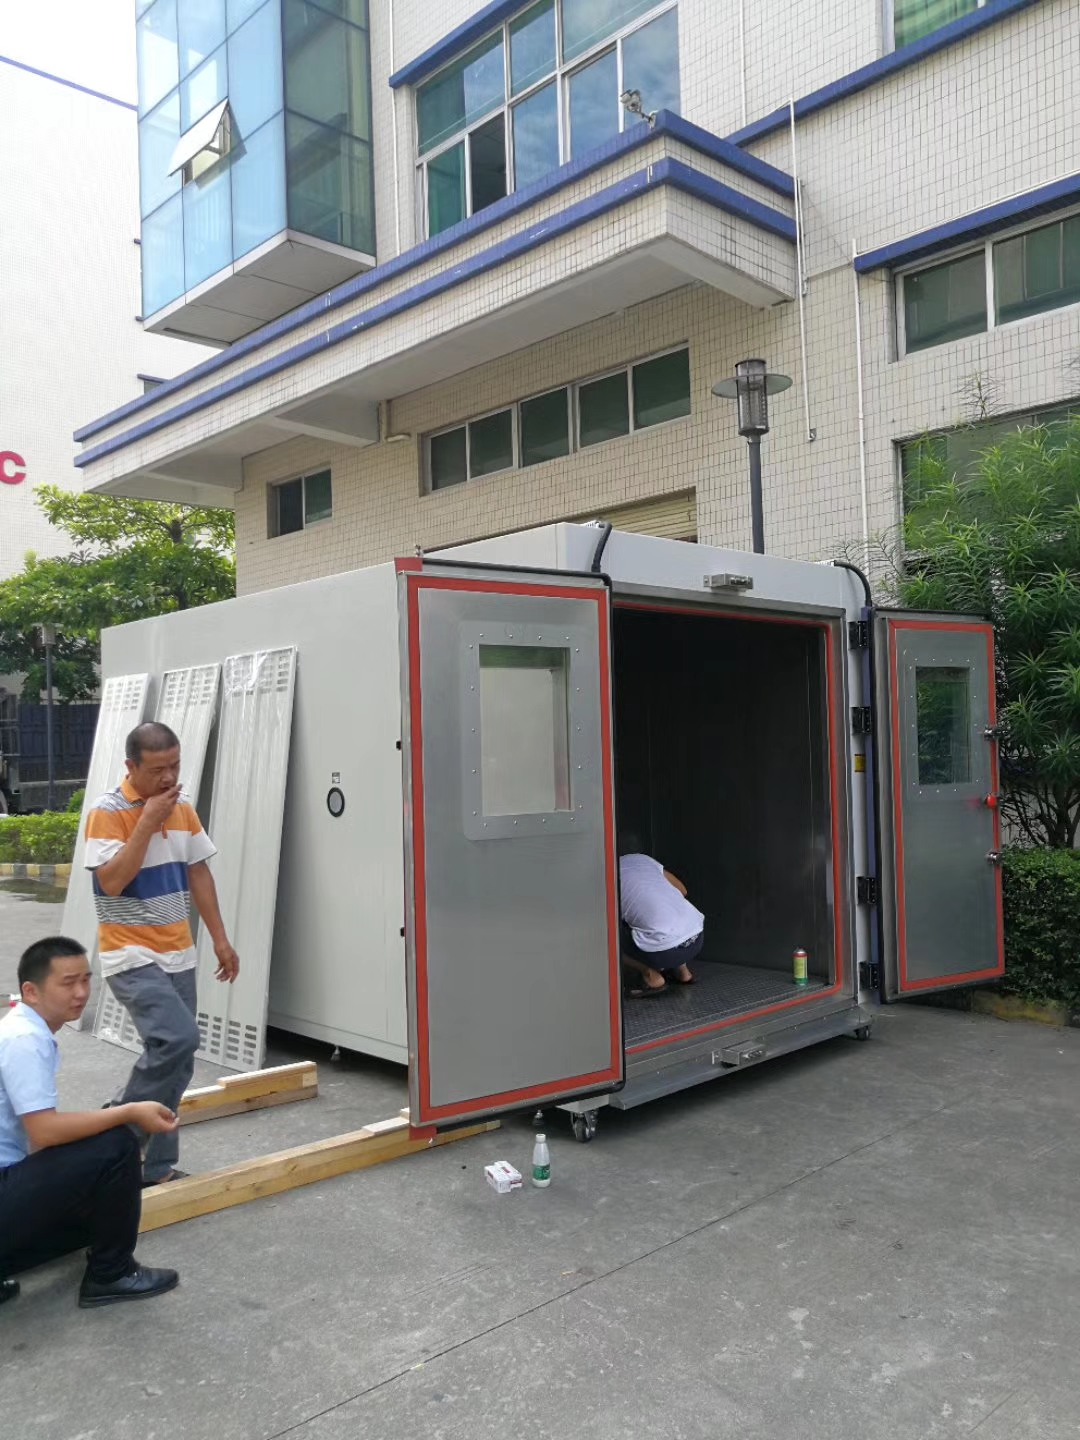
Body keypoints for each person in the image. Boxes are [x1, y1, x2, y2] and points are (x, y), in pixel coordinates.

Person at [85, 721, 239, 1185]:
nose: (169, 777)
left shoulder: (183, 809)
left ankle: (154, 1169)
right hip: (130, 954)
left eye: (175, 765)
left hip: (178, 953)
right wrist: (148, 821)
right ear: (131, 767)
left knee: (176, 1061)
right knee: (178, 1040)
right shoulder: (107, 812)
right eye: (157, 770)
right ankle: (116, 1122)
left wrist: (220, 939)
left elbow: (199, 874)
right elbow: (112, 881)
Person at [0, 936, 180, 1308]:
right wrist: (128, 1111)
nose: (82, 992)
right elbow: (44, 1131)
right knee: (118, 1144)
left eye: (86, 980)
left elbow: (39, 1142)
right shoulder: (24, 1040)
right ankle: (111, 1274)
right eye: (68, 983)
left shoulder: (18, 1028)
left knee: (94, 1216)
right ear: (31, 991)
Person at [619, 840, 705, 998]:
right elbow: (682, 890)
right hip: (696, 940)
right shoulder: (646, 861)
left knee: (608, 934)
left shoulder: (608, 872)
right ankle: (683, 972)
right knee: (669, 915)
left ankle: (651, 975)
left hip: (661, 953)